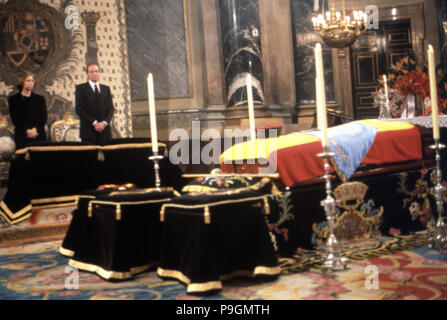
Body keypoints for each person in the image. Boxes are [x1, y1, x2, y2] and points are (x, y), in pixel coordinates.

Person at [75, 63, 114, 144]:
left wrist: (104, 123)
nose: (94, 73)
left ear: (99, 73)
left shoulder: (106, 89)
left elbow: (111, 109)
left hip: (105, 132)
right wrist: (95, 123)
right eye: (91, 72)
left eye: (96, 71)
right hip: (88, 132)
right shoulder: (80, 88)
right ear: (87, 74)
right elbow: (79, 110)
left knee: (107, 156)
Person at [8, 73, 48, 149]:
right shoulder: (13, 99)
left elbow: (43, 118)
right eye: (28, 80)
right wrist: (27, 131)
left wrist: (35, 129)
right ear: (22, 82)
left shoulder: (40, 99)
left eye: (32, 81)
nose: (30, 83)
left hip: (38, 133)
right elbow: (15, 119)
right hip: (22, 134)